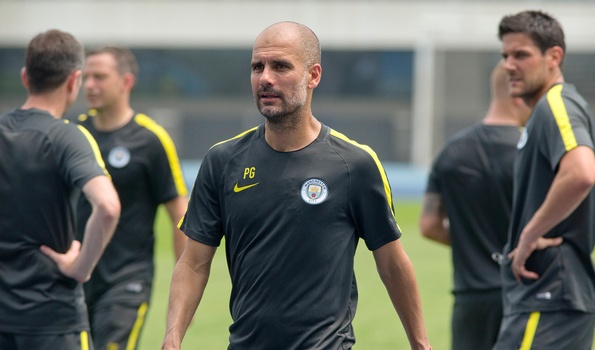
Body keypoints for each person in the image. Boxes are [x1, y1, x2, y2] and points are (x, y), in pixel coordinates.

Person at [161, 21, 431, 350]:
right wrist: (172, 339)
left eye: (280, 66)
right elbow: (193, 262)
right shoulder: (223, 161)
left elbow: (392, 262)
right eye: (257, 67)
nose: (265, 78)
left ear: (313, 75)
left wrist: (421, 344)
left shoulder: (354, 165)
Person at [0, 29, 120, 350]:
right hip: (53, 320)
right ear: (74, 80)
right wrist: (80, 268)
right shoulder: (69, 137)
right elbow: (107, 207)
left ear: (26, 77)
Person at [493, 10, 595, 349]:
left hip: (548, 291)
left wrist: (528, 236)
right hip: (552, 292)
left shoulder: (555, 104)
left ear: (554, 56)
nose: (509, 65)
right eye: (505, 56)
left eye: (521, 55)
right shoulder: (549, 109)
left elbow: (582, 172)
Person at [75, 46, 189, 350]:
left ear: (126, 82)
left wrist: (184, 285)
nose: (90, 85)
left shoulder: (151, 140)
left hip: (127, 280)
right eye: (86, 77)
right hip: (76, 277)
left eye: (100, 77)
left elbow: (180, 215)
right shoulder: (75, 135)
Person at [419, 61, 530, 350]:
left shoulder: (451, 152)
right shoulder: (531, 154)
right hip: (522, 293)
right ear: (519, 94)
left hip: (471, 299)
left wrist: (472, 243)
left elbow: (429, 225)